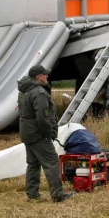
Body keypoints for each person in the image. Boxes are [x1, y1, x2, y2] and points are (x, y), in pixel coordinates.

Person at [18, 65, 73, 203]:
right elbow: (42, 118)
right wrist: (48, 133)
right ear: (38, 77)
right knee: (52, 162)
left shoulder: (24, 90)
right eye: (45, 74)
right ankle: (58, 196)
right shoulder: (39, 93)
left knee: (33, 163)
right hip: (38, 134)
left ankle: (32, 195)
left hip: (26, 132)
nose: (47, 76)